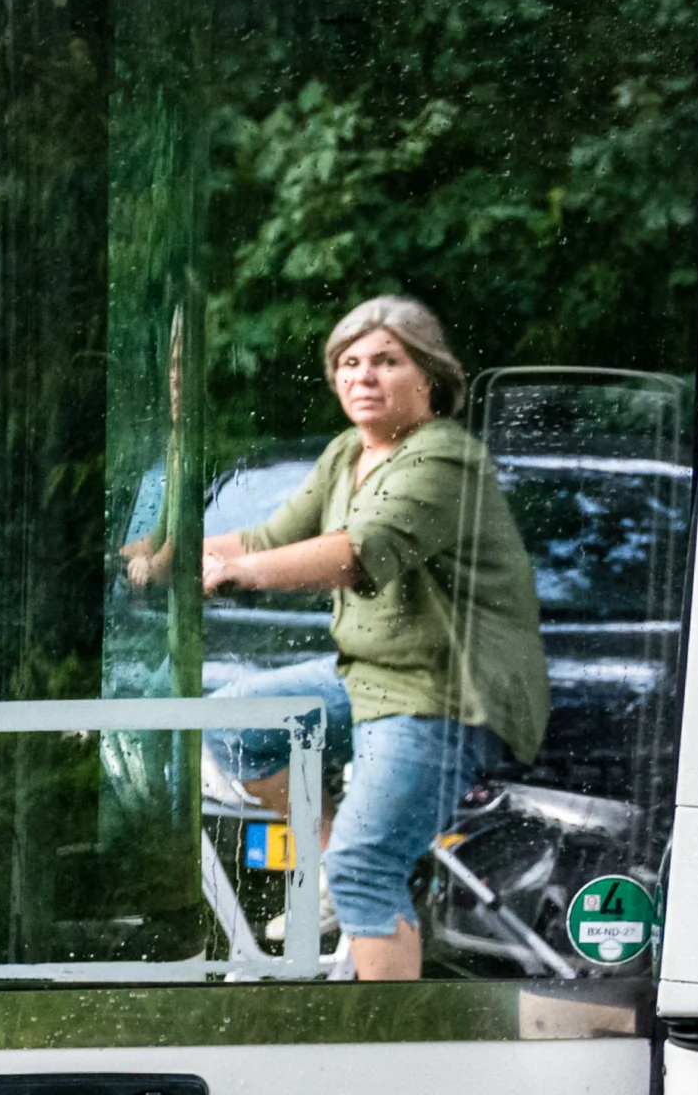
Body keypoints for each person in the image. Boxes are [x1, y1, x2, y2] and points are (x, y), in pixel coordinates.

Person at [198, 295, 546, 981]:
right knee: (233, 724)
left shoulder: (444, 459)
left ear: (430, 379)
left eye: (387, 361)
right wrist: (171, 554)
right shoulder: (347, 453)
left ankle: (385, 1047)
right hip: (367, 677)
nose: (364, 376)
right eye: (349, 363)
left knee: (368, 868)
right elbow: (271, 537)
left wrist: (240, 574)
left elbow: (359, 552)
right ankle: (333, 869)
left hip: (442, 694)